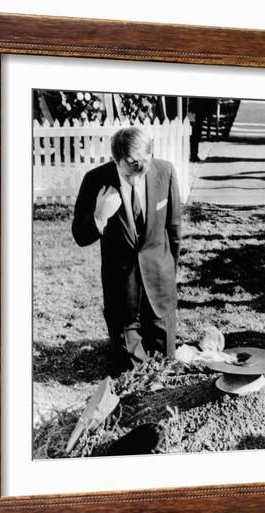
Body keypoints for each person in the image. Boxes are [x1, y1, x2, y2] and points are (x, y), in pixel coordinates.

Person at [72, 126, 181, 376]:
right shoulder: (95, 180)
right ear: (115, 159)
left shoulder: (165, 172)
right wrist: (100, 216)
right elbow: (79, 235)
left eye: (143, 166)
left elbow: (173, 230)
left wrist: (169, 275)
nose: (139, 175)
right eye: (131, 168)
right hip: (121, 292)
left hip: (160, 286)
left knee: (166, 366)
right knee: (131, 372)